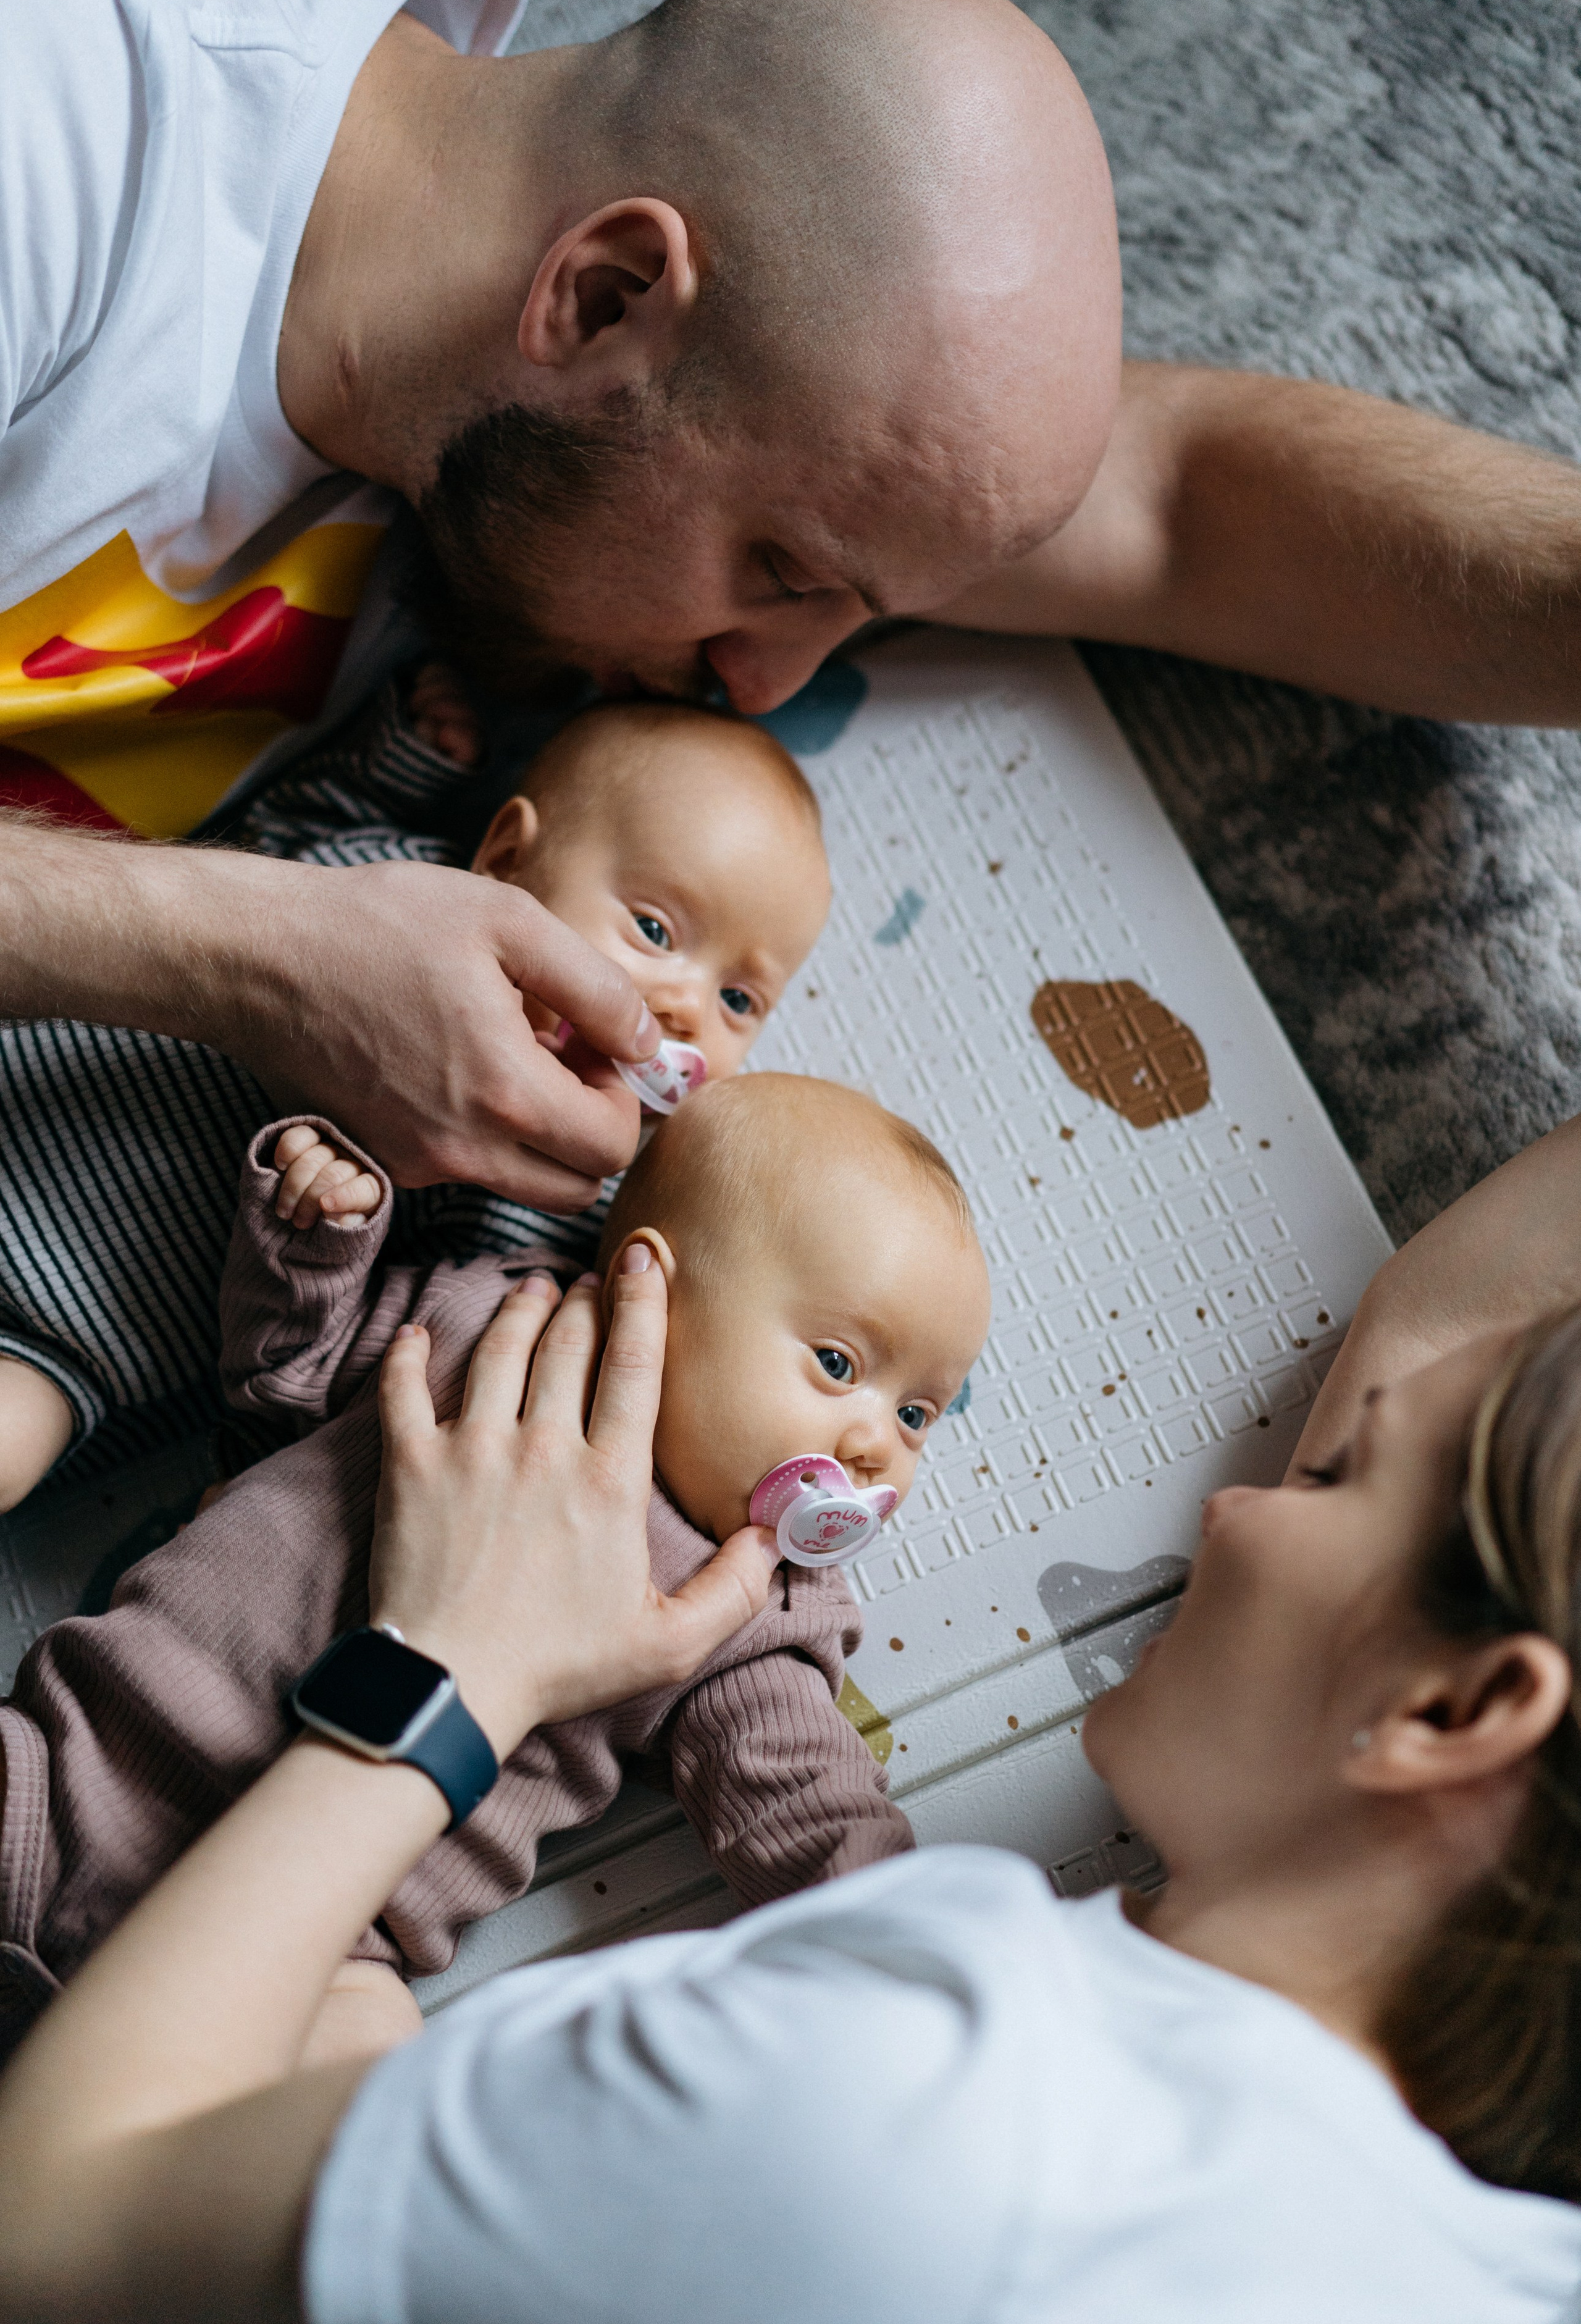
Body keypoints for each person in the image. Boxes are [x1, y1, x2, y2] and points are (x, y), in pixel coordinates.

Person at [4, 0, 1578, 1216]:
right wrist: (257, 950)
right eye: (783, 572)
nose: (759, 682)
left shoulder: (541, 389)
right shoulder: (62, 140)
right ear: (602, 295)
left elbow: (1178, 507)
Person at [2, 1211, 1581, 2318]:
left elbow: (55, 2236)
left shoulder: (908, 2105)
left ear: (1456, 1712)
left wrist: (452, 1670)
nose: (1229, 1513)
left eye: (1337, 1473)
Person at [0, 1076, 988, 2063]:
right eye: (839, 1364)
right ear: (657, 1283)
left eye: (916, 1415)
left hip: (322, 1966)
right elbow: (279, 1370)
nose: (875, 1445)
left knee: (375, 2079)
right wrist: (317, 1239)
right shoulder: (495, 1324)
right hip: (71, 1761)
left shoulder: (754, 1609)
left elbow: (802, 1799)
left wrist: (925, 1946)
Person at [0, 679, 831, 1503]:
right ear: (507, 860)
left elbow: (381, 1340)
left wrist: (341, 1226)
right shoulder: (394, 881)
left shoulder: (554, 1173)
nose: (687, 1004)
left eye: (738, 1000)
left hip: (59, 1334)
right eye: (655, 930)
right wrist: (404, 755)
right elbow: (271, 834)